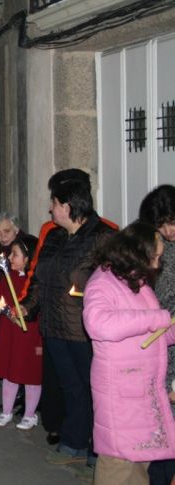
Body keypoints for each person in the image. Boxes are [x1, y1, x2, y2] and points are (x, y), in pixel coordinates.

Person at [21, 177, 115, 470]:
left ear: (68, 205)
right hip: (54, 325)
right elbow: (40, 278)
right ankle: (74, 439)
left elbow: (116, 280)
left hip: (84, 328)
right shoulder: (54, 236)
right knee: (70, 387)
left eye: (54, 203)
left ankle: (98, 450)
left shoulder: (103, 236)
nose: (50, 209)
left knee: (93, 389)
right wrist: (27, 307)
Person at [83, 222, 175, 485]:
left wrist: (171, 328)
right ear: (136, 253)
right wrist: (158, 317)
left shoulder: (137, 281)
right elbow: (98, 324)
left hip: (141, 392)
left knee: (137, 467)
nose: (157, 265)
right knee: (118, 466)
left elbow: (152, 335)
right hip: (121, 394)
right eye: (154, 257)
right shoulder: (103, 281)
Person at [0, 237, 42, 430]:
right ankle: (7, 411)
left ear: (27, 258)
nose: (10, 257)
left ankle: (30, 414)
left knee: (30, 374)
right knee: (9, 371)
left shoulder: (34, 283)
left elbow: (35, 308)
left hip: (29, 335)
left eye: (14, 254)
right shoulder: (7, 277)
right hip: (9, 333)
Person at [139, 185, 175, 484]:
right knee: (160, 416)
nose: (167, 230)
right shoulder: (155, 244)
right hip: (160, 336)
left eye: (171, 222)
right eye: (160, 225)